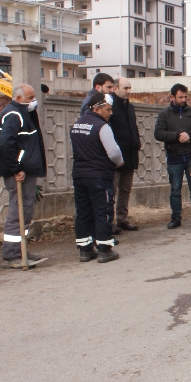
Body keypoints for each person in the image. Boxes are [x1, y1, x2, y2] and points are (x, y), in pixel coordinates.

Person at [0, 83, 46, 268]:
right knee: (19, 210)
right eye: (30, 97)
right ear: (19, 98)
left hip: (24, 169)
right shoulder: (13, 114)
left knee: (25, 210)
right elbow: (6, 143)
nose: (34, 100)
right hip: (19, 171)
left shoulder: (23, 112)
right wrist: (16, 168)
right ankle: (11, 254)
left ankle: (20, 250)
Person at [70, 92, 123, 264]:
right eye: (108, 109)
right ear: (97, 109)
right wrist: (119, 162)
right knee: (103, 211)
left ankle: (85, 250)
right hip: (99, 175)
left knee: (83, 212)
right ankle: (104, 249)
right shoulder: (102, 126)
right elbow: (114, 152)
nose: (110, 113)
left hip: (79, 175)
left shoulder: (76, 124)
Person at [155, 83, 191, 229]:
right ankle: (176, 218)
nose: (183, 100)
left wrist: (190, 135)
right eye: (180, 97)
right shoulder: (165, 114)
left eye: (185, 97)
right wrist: (177, 136)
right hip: (174, 157)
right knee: (175, 190)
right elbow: (158, 133)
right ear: (172, 97)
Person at [108, 77, 141, 233]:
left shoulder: (130, 107)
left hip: (130, 155)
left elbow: (133, 127)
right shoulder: (111, 106)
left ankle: (122, 219)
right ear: (115, 88)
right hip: (115, 156)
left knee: (125, 190)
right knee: (112, 190)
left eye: (129, 88)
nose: (128, 91)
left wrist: (136, 143)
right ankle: (109, 221)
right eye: (125, 88)